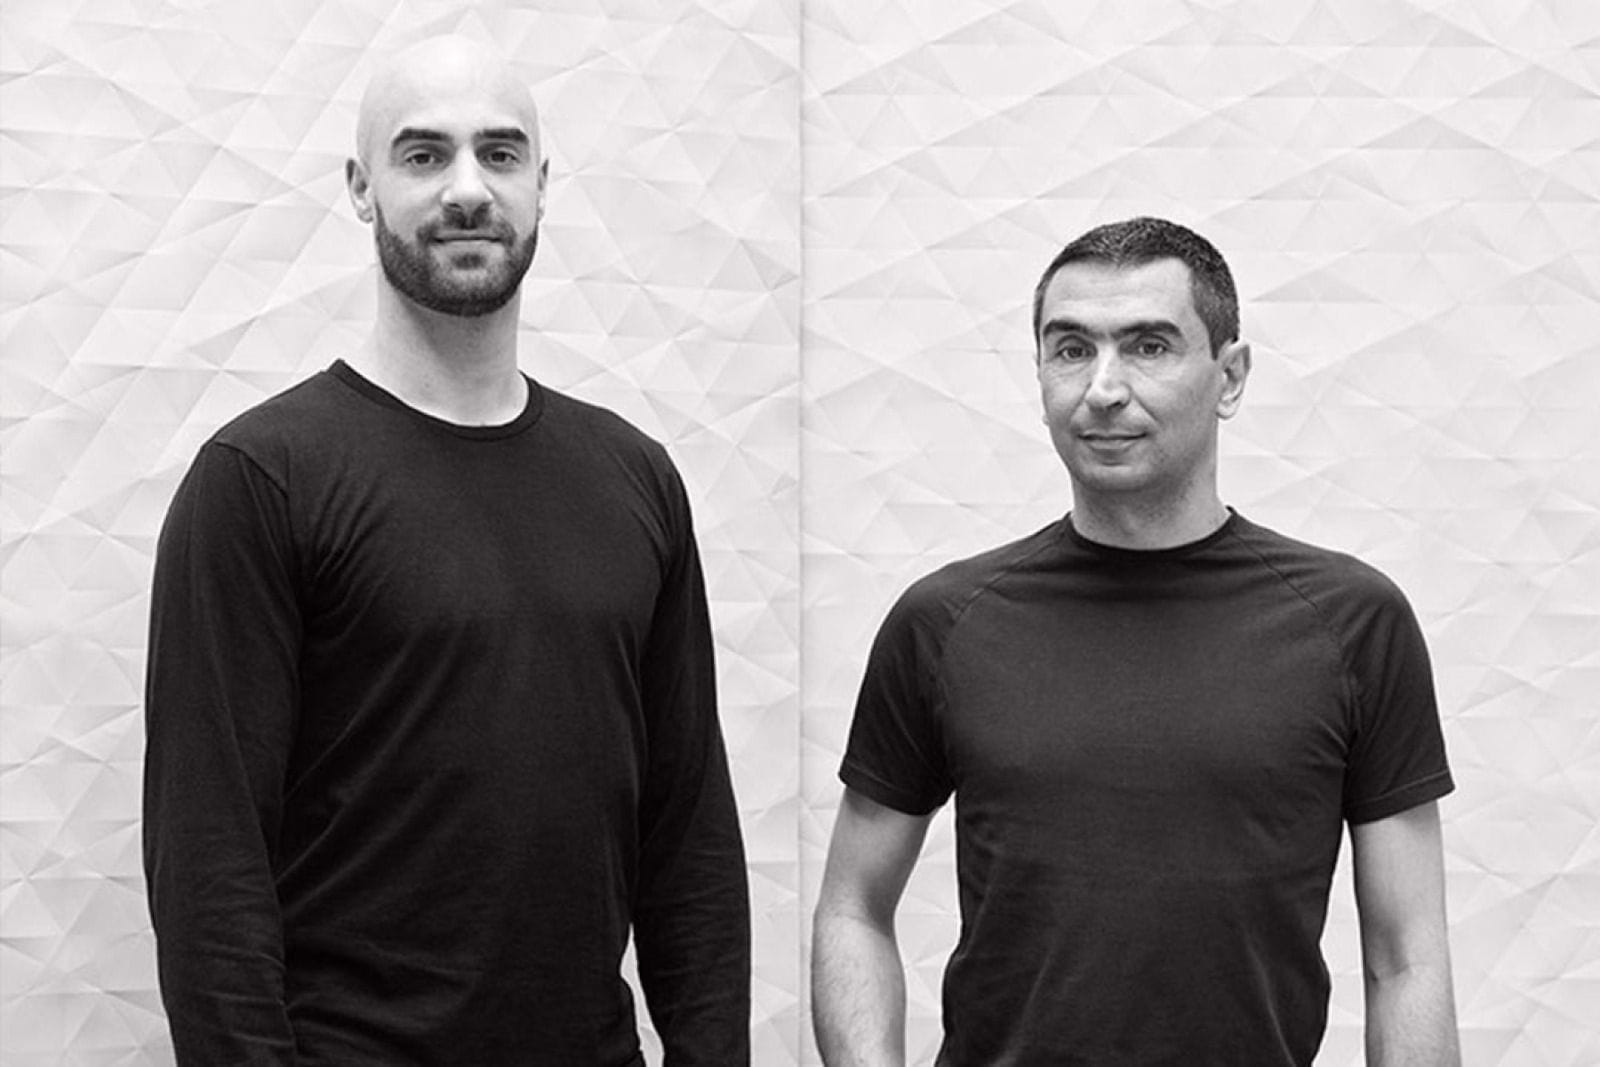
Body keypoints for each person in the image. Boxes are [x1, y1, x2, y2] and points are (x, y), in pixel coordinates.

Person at [143, 35, 749, 1065]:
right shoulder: (261, 480)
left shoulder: (635, 478)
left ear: (542, 185)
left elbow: (687, 840)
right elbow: (209, 867)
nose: (468, 188)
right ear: (361, 187)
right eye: (423, 155)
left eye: (499, 154)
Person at [812, 217, 1458, 1065]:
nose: (1103, 388)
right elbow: (853, 907)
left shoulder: (1354, 624)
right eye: (1070, 349)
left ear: (1230, 376)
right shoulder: (943, 622)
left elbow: (1406, 959)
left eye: (1149, 346)